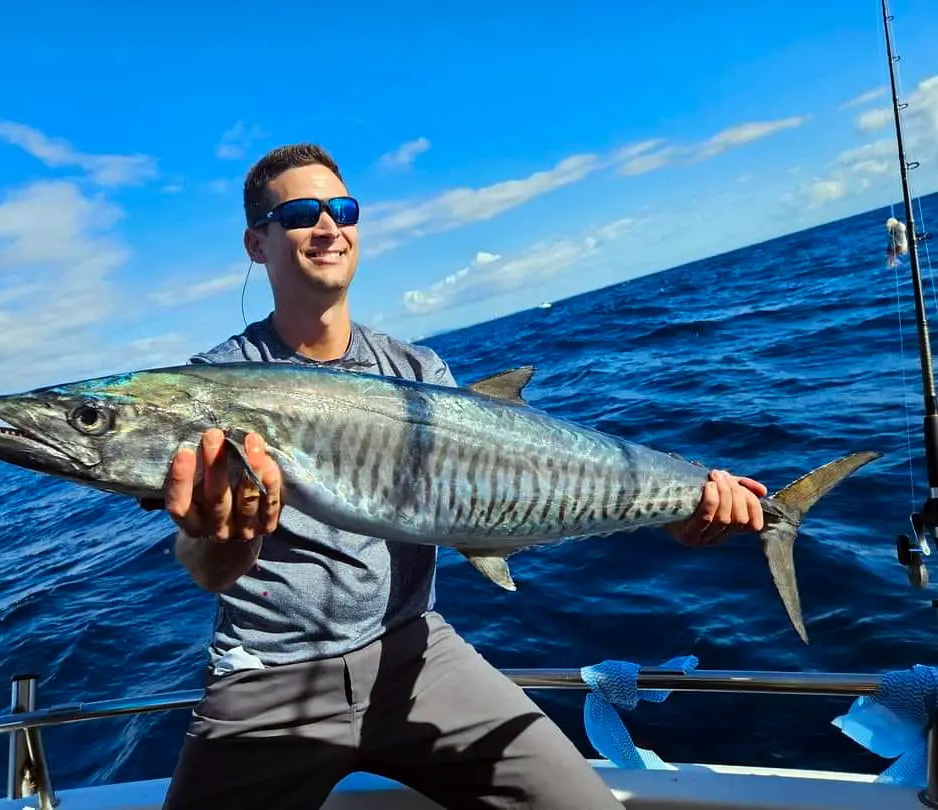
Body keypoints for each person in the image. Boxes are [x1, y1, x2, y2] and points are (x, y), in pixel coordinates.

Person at [152, 143, 769, 810]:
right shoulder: (213, 383)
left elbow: (507, 498)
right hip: (268, 680)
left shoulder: (418, 371)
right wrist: (228, 536)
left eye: (344, 209)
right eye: (302, 213)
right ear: (257, 244)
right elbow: (207, 567)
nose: (329, 227)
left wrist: (677, 508)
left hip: (416, 653)